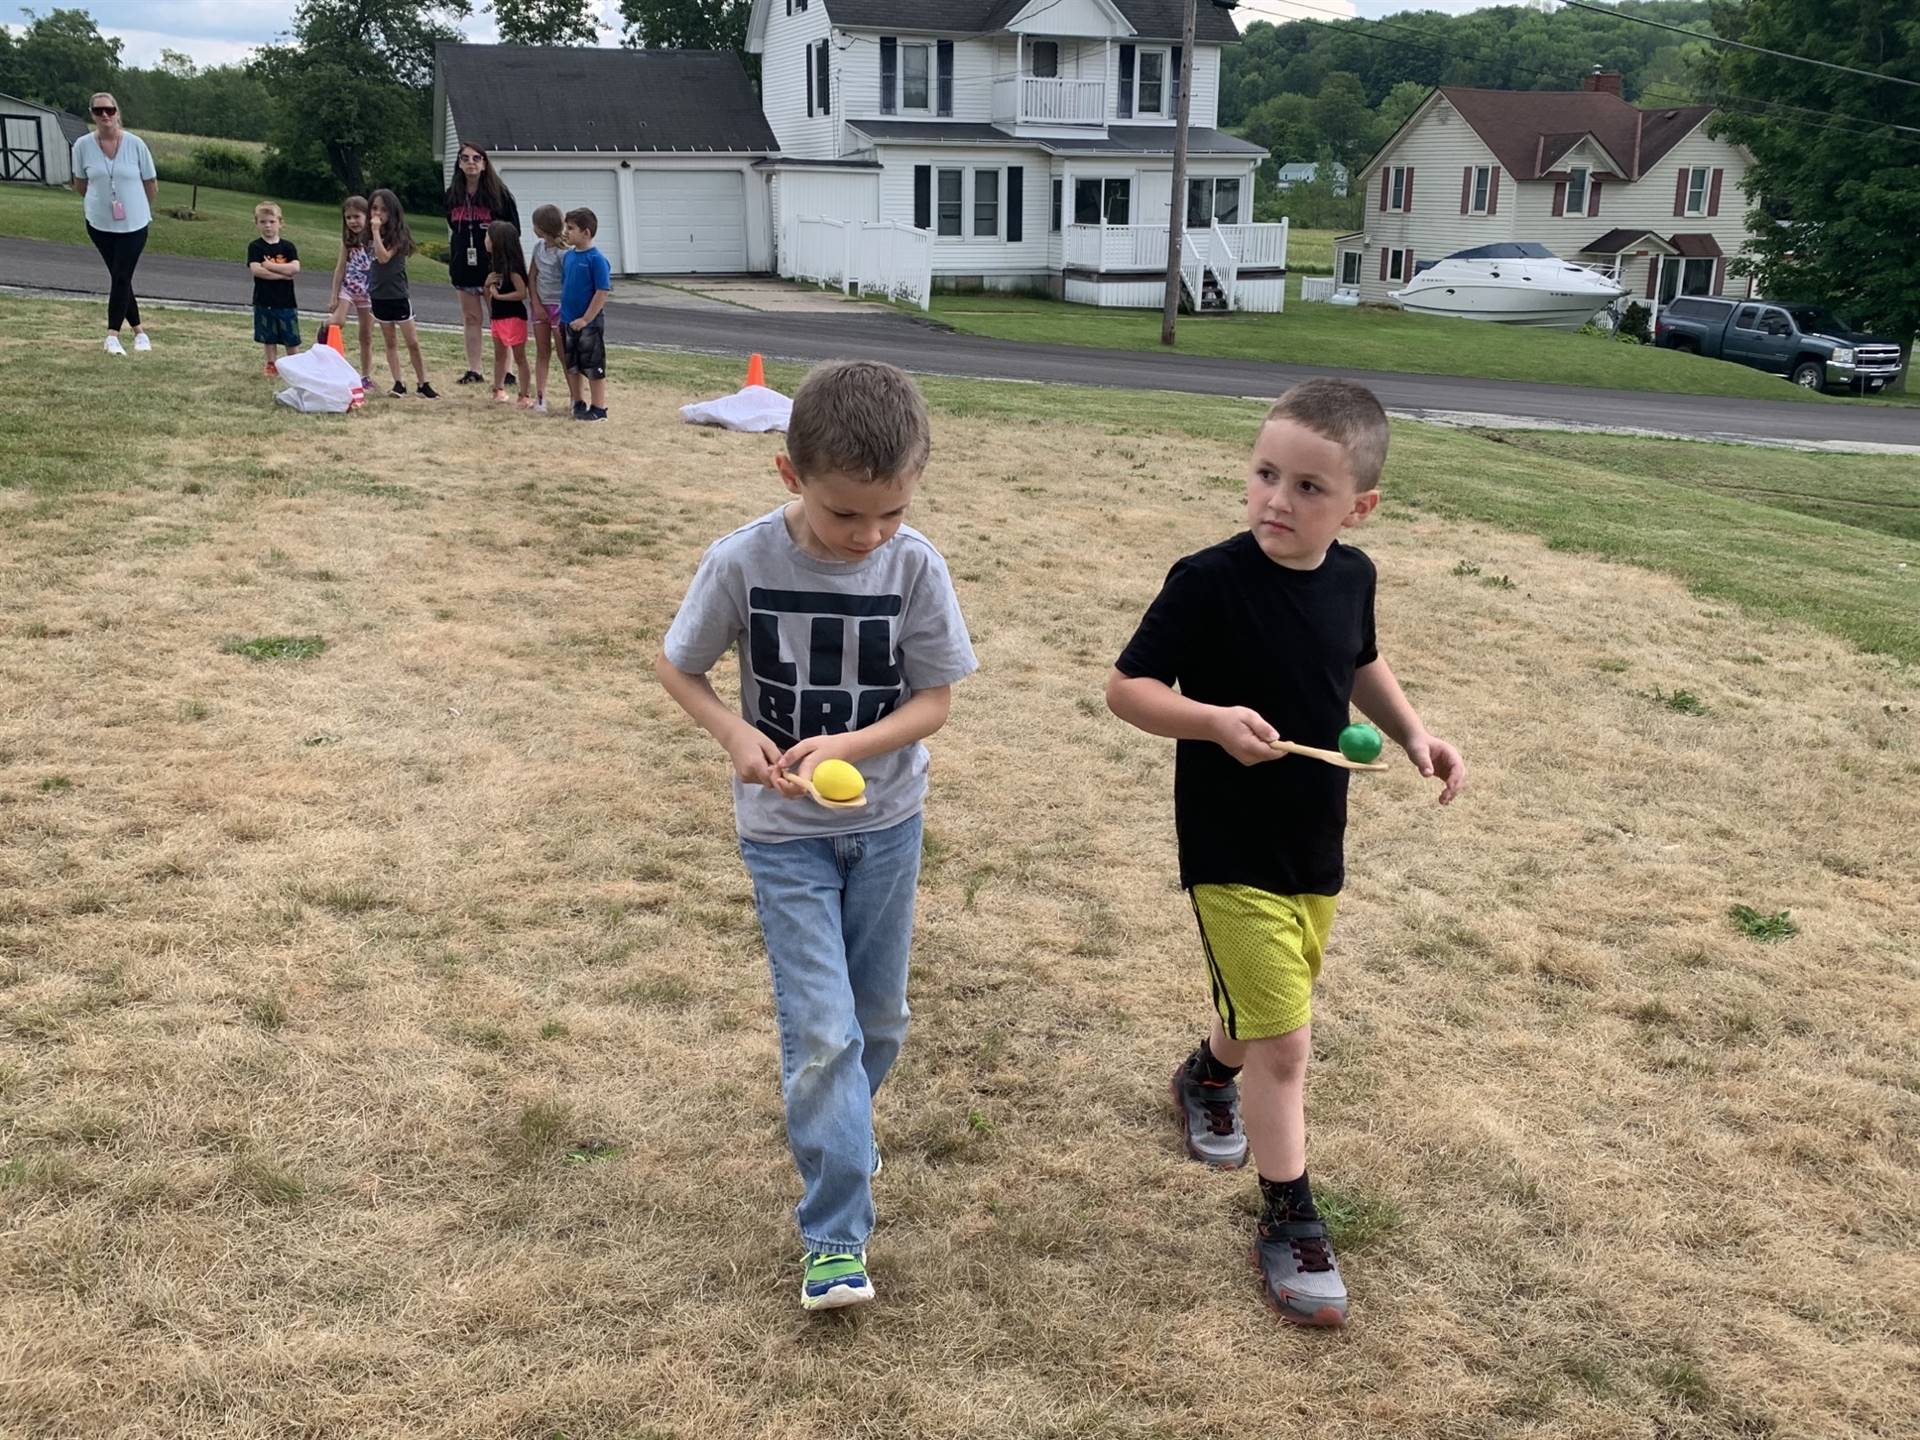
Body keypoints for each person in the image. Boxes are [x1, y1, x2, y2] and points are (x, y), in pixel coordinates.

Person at [1105, 379, 1467, 1329]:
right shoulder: (1208, 579)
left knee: (1271, 1012)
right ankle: (1290, 1216)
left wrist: (1415, 735)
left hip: (1315, 839)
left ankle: (1207, 1076)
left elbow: (1358, 662)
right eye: (1266, 474)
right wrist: (1211, 722)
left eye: (1309, 487)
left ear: (1359, 507)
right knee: (1290, 1041)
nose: (1278, 500)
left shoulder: (1353, 577)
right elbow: (1127, 689)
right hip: (1228, 843)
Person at [655, 361, 977, 1312]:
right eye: (847, 516)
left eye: (891, 513)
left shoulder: (915, 564)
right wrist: (735, 734)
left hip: (887, 827)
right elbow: (681, 670)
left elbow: (935, 701)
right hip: (783, 835)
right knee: (826, 1032)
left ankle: (843, 1129)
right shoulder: (742, 562)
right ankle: (835, 1234)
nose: (869, 536)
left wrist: (851, 741)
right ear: (790, 476)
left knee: (879, 1023)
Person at [69, 91, 157, 355]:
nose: (105, 115)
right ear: (92, 114)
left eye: (109, 110)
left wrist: (136, 207)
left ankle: (112, 336)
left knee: (121, 276)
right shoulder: (82, 146)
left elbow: (150, 183)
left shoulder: (136, 144)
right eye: (98, 111)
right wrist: (100, 202)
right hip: (99, 224)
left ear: (117, 112)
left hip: (135, 225)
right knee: (121, 277)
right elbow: (80, 184)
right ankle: (140, 332)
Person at [445, 142, 520, 387]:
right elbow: (452, 226)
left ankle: (506, 370)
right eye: (465, 158)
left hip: (493, 267)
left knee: (498, 318)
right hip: (463, 266)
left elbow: (513, 231)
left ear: (484, 163)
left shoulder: (500, 195)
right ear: (459, 163)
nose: (471, 163)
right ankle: (474, 369)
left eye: (476, 158)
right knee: (471, 318)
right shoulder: (453, 195)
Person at [366, 189, 438, 399]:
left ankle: (423, 382)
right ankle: (398, 382)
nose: (378, 214)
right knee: (390, 341)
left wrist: (377, 232)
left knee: (412, 341)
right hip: (379, 295)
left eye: (383, 210)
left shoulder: (398, 235)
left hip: (397, 295)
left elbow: (383, 257)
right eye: (375, 208)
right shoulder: (367, 235)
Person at [558, 208, 611, 423]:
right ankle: (577, 401)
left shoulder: (596, 259)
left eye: (571, 229)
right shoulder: (569, 256)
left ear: (586, 233)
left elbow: (602, 291)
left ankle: (598, 408)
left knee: (592, 364)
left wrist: (586, 319)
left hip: (588, 323)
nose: (566, 232)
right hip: (568, 320)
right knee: (571, 363)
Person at [325, 195, 377, 389]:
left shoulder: (374, 240)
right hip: (349, 287)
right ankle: (324, 329)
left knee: (366, 335)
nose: (353, 221)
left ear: (367, 216)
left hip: (368, 291)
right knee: (338, 321)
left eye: (357, 216)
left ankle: (365, 375)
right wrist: (333, 295)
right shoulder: (347, 241)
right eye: (348, 218)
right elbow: (339, 269)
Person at [247, 202, 301, 376]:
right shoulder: (256, 247)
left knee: (290, 336)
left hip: (286, 301)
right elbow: (257, 270)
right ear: (257, 224)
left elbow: (295, 268)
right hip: (264, 300)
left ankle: (294, 365)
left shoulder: (288, 247)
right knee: (268, 335)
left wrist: (270, 265)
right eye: (263, 222)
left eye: (271, 221)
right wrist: (283, 275)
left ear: (280, 222)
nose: (268, 225)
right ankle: (271, 364)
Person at [483, 220, 532, 408]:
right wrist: (487, 285)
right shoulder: (494, 266)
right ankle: (498, 389)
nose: (485, 240)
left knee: (519, 357)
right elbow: (488, 294)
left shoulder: (512, 268)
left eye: (488, 236)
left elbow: (522, 293)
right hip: (498, 317)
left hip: (514, 317)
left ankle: (525, 394)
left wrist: (500, 297)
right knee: (499, 355)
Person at [525, 205, 567, 417]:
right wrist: (535, 303)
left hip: (560, 308)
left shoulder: (564, 253)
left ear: (542, 228)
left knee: (563, 353)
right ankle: (540, 397)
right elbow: (532, 276)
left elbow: (569, 283)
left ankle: (575, 396)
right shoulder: (538, 248)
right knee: (542, 352)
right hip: (540, 306)